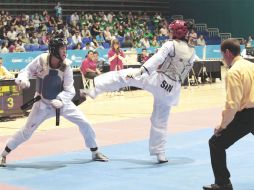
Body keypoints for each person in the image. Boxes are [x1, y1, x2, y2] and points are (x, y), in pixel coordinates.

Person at [80, 20, 195, 163]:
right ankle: (160, 153)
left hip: (158, 80)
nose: (169, 33)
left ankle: (93, 89)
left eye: (171, 31)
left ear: (177, 32)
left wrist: (141, 71)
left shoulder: (170, 44)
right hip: (172, 89)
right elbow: (184, 72)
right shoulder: (192, 51)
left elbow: (156, 59)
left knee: (123, 75)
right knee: (160, 121)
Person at [0, 35, 108, 167]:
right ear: (54, 50)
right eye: (62, 48)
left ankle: (95, 151)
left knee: (84, 123)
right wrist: (23, 79)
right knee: (26, 132)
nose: (65, 51)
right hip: (42, 104)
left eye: (65, 48)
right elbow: (26, 71)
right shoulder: (41, 60)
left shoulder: (66, 66)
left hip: (63, 104)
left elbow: (70, 90)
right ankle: (3, 154)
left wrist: (61, 100)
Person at [203, 38, 254, 190]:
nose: (222, 58)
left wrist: (222, 126)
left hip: (246, 115)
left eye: (222, 54)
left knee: (216, 143)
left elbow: (233, 105)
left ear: (227, 52)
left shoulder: (233, 72)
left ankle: (223, 183)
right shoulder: (252, 65)